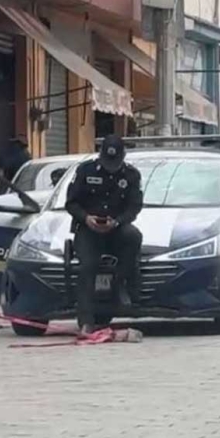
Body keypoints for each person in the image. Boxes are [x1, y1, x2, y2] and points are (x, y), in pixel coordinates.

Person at [65, 134, 143, 336]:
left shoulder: (131, 175)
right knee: (87, 267)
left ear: (123, 157)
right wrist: (86, 218)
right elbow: (71, 203)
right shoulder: (85, 170)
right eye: (107, 163)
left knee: (133, 236)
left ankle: (121, 286)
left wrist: (116, 221)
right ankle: (86, 321)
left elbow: (135, 206)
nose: (111, 168)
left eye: (115, 163)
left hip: (116, 228)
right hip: (88, 229)